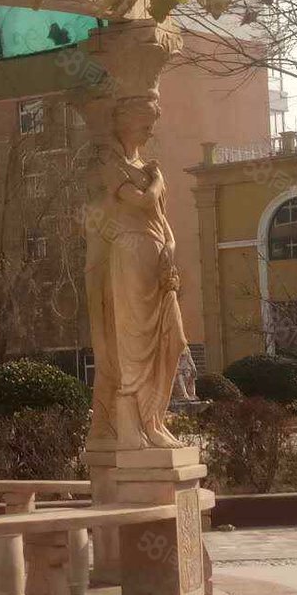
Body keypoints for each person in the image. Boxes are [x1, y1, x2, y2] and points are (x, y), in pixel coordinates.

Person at [87, 94, 186, 450]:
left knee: (174, 339)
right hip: (129, 253)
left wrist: (170, 250)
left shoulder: (144, 166)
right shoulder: (111, 164)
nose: (150, 131)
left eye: (152, 124)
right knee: (134, 343)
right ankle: (136, 425)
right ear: (126, 122)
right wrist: (156, 180)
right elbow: (142, 201)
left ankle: (155, 417)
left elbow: (162, 218)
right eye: (145, 124)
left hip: (157, 256)